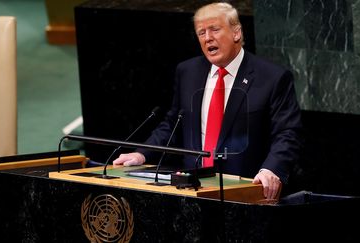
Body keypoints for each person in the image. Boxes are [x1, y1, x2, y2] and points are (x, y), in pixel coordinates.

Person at [113, 2, 303, 200]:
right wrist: (142, 154)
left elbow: (287, 133)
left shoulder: (272, 77)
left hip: (245, 191)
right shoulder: (188, 72)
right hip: (192, 190)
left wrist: (271, 170)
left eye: (214, 29)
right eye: (201, 33)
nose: (208, 38)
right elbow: (173, 124)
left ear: (236, 32)